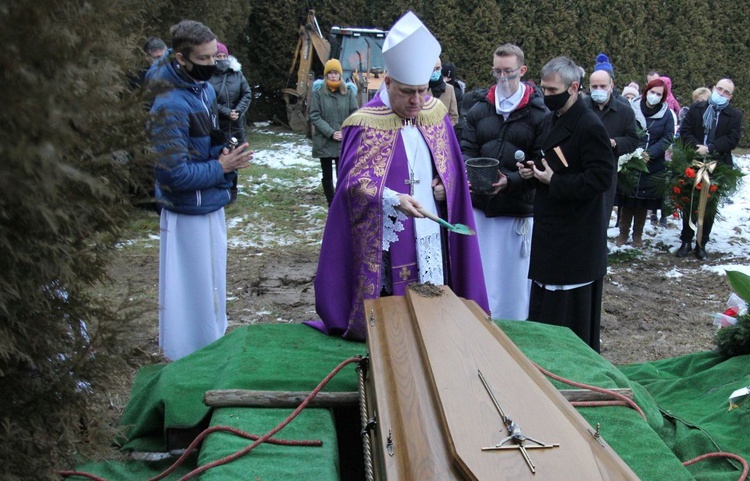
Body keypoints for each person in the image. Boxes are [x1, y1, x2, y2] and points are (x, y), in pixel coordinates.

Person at [306, 11, 488, 341]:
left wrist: (446, 187)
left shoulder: (435, 113)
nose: (417, 100)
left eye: (422, 90)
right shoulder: (365, 123)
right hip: (390, 229)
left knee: (436, 297)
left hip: (432, 223)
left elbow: (453, 171)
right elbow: (351, 186)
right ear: (387, 82)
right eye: (407, 92)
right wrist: (392, 199)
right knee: (395, 313)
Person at [148, 20, 254, 360]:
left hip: (209, 203)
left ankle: (211, 343)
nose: (214, 65)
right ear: (181, 58)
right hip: (185, 213)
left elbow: (204, 142)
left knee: (212, 286)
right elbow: (172, 174)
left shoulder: (202, 90)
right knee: (188, 291)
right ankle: (184, 355)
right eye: (205, 59)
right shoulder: (169, 104)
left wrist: (225, 152)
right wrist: (221, 167)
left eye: (215, 56)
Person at [517, 56, 614, 352]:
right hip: (552, 230)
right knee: (546, 305)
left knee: (567, 313)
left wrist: (553, 182)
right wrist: (533, 172)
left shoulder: (589, 126)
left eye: (550, 90)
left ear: (573, 87)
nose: (545, 96)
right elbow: (553, 163)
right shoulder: (552, 119)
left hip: (575, 236)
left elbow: (601, 179)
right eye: (543, 89)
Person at [460, 43, 547, 320]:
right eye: (497, 71)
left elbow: (540, 161)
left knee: (513, 280)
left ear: (522, 70)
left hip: (516, 210)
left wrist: (510, 181)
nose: (503, 78)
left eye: (509, 72)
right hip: (481, 207)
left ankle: (514, 326)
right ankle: (478, 320)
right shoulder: (478, 109)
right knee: (482, 273)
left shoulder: (538, 114)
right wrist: (469, 172)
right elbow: (466, 148)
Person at [677, 78, 744, 260]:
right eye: (719, 89)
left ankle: (701, 243)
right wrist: (696, 147)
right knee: (689, 201)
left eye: (726, 92)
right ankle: (686, 240)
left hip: (718, 163)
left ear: (730, 97)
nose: (721, 93)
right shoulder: (696, 109)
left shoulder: (734, 116)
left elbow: (732, 139)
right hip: (693, 159)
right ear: (713, 88)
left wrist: (711, 148)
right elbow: (685, 131)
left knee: (709, 205)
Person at [616, 78, 674, 247]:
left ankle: (637, 235)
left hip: (652, 164)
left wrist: (651, 153)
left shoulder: (666, 115)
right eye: (652, 92)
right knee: (627, 200)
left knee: (642, 202)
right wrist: (633, 151)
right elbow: (624, 129)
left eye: (659, 94)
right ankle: (623, 233)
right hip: (630, 160)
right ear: (646, 91)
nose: (654, 96)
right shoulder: (631, 108)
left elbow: (667, 137)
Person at [584, 67, 639, 225]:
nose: (598, 90)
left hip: (607, 170)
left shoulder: (625, 111)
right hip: (581, 169)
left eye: (602, 86)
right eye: (594, 87)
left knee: (601, 216)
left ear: (611, 86)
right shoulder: (581, 106)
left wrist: (615, 142)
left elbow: (633, 140)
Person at [308, 59, 359, 207]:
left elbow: (354, 113)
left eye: (335, 72)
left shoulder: (348, 93)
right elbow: (315, 115)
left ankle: (340, 201)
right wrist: (331, 133)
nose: (333, 76)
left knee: (342, 174)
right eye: (330, 73)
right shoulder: (318, 94)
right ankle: (331, 203)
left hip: (342, 140)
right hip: (324, 140)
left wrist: (344, 132)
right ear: (326, 75)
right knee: (327, 174)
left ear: (340, 75)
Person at [209, 42, 252, 204]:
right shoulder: (208, 76)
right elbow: (209, 99)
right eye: (218, 56)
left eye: (224, 56)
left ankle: (232, 191)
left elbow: (246, 93)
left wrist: (238, 111)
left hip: (236, 125)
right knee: (218, 155)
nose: (222, 59)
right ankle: (219, 189)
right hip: (217, 124)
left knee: (235, 156)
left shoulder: (237, 74)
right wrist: (227, 113)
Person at [430, 58, 459, 126]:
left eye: (437, 68)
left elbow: (454, 116)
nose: (435, 72)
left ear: (441, 68)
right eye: (432, 69)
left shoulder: (449, 89)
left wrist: (446, 129)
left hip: (444, 133)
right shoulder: (421, 89)